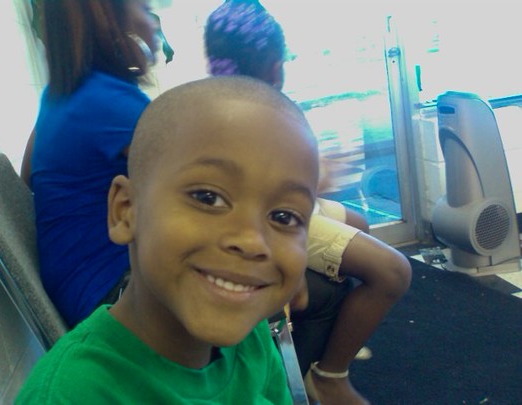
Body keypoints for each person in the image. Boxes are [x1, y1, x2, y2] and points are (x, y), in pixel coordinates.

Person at [17, 75, 320, 404]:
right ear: (125, 211)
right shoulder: (70, 395)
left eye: (284, 217)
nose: (252, 242)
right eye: (208, 197)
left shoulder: (252, 336)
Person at [204, 1, 412, 404]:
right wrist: (318, 178)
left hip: (291, 204)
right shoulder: (251, 114)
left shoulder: (242, 104)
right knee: (393, 272)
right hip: (275, 215)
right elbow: (276, 192)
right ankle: (329, 376)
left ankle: (337, 338)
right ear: (273, 67)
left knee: (360, 224)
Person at [20, 0, 162, 327]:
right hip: (111, 298)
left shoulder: (61, 96)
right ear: (110, 18)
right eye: (144, 7)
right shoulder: (110, 103)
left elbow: (26, 180)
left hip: (80, 295)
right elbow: (204, 184)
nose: (153, 21)